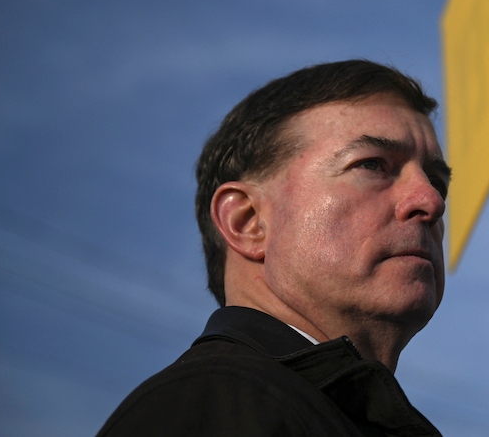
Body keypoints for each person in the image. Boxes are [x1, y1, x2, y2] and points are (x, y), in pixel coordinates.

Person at [97, 60, 450, 436]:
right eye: (373, 165)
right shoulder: (208, 406)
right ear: (247, 222)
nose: (431, 200)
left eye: (437, 182)